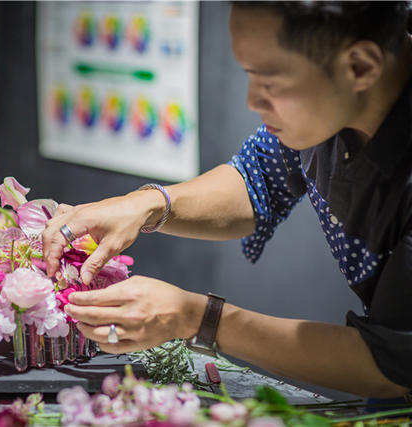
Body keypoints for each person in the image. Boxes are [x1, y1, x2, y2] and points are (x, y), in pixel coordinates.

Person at [41, 2, 412, 399]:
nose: (252, 101)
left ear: (360, 67)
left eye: (270, 81)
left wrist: (198, 318)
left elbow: (394, 363)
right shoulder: (332, 106)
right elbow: (255, 180)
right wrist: (146, 204)